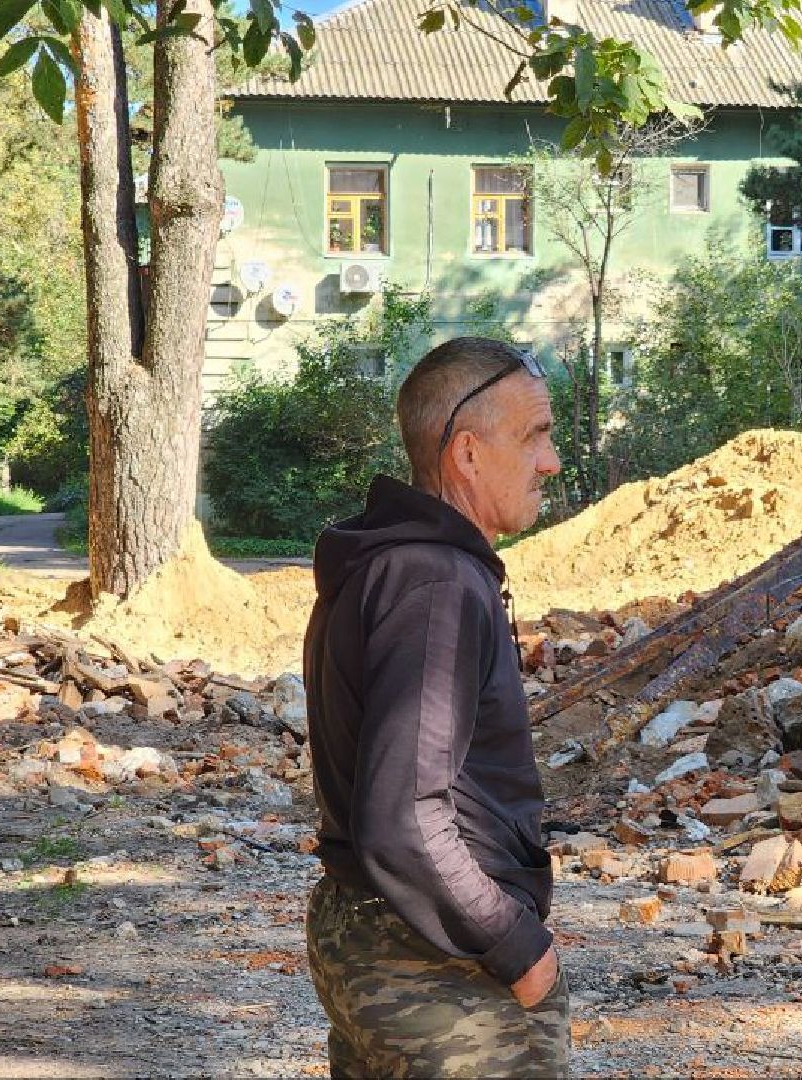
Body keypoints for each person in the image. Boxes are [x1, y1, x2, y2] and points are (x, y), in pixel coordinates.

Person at [302, 336, 567, 1078]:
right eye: (534, 436)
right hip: (428, 956)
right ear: (468, 454)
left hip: (378, 930)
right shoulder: (434, 585)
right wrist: (514, 946)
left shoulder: (399, 566)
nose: (549, 461)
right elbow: (405, 816)